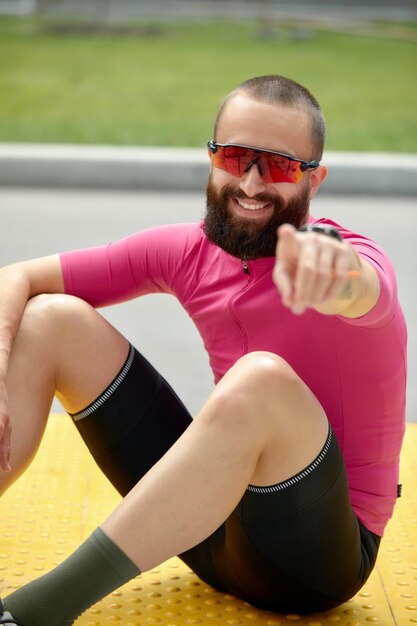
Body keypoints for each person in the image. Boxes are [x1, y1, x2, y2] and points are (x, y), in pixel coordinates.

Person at [0, 75, 407, 626]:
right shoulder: (189, 251)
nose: (252, 182)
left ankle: (36, 612)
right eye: (237, 156)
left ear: (316, 180)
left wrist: (339, 279)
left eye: (281, 166)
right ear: (211, 158)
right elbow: (18, 277)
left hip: (316, 563)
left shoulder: (349, 260)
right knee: (51, 317)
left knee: (261, 379)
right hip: (207, 532)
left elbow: (367, 292)